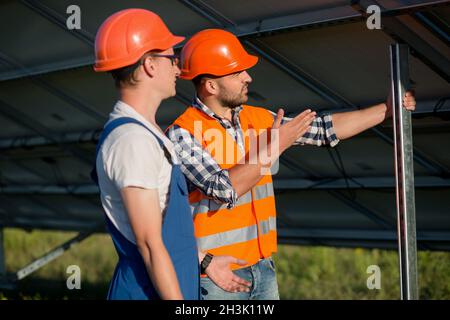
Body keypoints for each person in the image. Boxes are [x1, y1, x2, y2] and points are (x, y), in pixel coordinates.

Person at [167, 28, 416, 300]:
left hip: (262, 268)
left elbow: (322, 129)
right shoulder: (183, 133)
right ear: (211, 85)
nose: (248, 77)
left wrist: (386, 110)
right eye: (238, 72)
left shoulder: (259, 119)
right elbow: (224, 189)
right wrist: (276, 145)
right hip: (213, 277)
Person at [92, 8, 198, 300]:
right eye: (172, 59)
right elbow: (150, 245)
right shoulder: (132, 140)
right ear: (150, 64)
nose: (178, 69)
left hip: (167, 282)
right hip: (147, 292)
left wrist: (204, 263)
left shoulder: (145, 133)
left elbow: (166, 232)